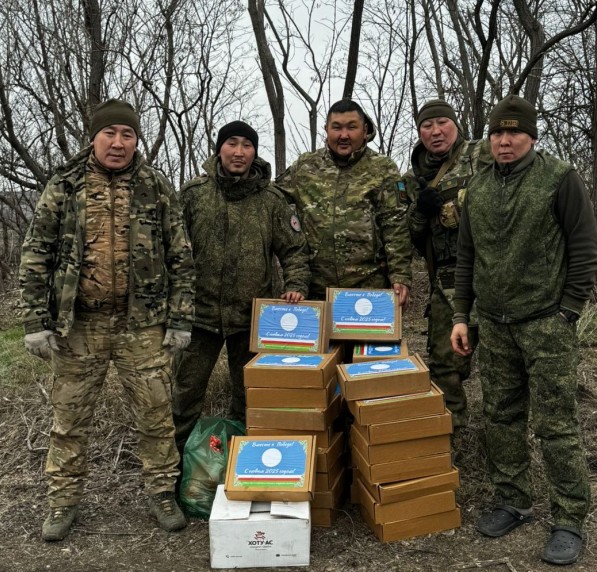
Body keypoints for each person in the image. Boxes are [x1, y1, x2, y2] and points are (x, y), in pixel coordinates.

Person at [19, 99, 195, 541]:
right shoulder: (66, 184)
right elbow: (36, 253)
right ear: (93, 137)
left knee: (156, 416)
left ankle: (162, 494)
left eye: (128, 135)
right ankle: (62, 502)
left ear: (138, 140)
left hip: (143, 323)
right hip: (79, 326)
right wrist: (35, 320)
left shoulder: (155, 185)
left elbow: (181, 256)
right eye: (110, 134)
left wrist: (180, 319)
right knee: (70, 419)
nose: (118, 144)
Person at [451, 95, 597, 565]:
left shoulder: (559, 179)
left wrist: (568, 313)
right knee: (501, 416)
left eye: (514, 132)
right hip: (493, 326)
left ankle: (569, 518)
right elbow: (466, 258)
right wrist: (461, 315)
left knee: (556, 424)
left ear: (531, 136)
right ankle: (512, 500)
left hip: (545, 323)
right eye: (497, 132)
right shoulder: (476, 188)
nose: (504, 140)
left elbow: (585, 247)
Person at [171, 120, 310, 452]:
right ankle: (173, 473)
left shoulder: (272, 199)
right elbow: (168, 248)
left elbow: (295, 249)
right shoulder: (194, 195)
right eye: (231, 143)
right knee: (183, 396)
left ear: (254, 152)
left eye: (246, 145)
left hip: (251, 320)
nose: (238, 152)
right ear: (219, 148)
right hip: (198, 318)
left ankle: (243, 466)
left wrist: (296, 284)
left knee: (251, 398)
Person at [403, 98, 491, 428]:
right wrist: (421, 211)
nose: (435, 131)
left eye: (442, 123)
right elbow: (409, 238)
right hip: (446, 281)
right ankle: (450, 429)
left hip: (492, 274)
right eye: (427, 125)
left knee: (501, 359)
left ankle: (502, 428)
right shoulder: (413, 180)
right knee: (444, 362)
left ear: (455, 124)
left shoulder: (482, 153)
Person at [276, 99, 411, 307]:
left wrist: (400, 274)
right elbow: (272, 197)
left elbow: (395, 225)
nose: (343, 135)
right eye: (336, 128)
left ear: (364, 130)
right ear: (326, 129)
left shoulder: (383, 169)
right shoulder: (305, 167)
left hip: (369, 289)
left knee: (364, 341)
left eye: (352, 127)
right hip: (314, 291)